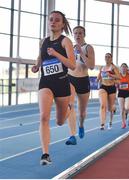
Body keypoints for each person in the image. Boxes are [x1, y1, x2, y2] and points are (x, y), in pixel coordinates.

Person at [31, 10, 75, 165]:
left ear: (62, 25)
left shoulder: (65, 42)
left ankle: (69, 108)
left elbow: (72, 65)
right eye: (51, 19)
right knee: (43, 117)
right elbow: (41, 57)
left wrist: (57, 54)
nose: (53, 22)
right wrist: (37, 66)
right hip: (46, 83)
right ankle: (45, 154)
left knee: (60, 122)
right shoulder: (43, 41)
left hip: (62, 83)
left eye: (57, 20)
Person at [65, 26, 95, 145]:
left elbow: (91, 66)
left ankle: (81, 125)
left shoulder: (88, 48)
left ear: (84, 34)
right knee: (70, 105)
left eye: (80, 33)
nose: (78, 35)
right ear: (73, 34)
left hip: (83, 81)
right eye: (76, 33)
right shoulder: (70, 48)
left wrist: (81, 52)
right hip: (70, 78)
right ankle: (72, 135)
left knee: (81, 112)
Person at [97, 53, 120, 130]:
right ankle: (102, 124)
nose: (107, 58)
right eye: (106, 57)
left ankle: (110, 121)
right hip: (103, 87)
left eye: (108, 57)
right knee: (103, 105)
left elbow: (119, 77)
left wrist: (111, 75)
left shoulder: (113, 68)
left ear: (111, 58)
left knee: (110, 108)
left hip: (111, 88)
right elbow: (99, 77)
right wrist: (98, 79)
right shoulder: (102, 67)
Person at [117, 63, 129, 128]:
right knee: (122, 109)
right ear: (120, 68)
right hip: (120, 92)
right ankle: (123, 123)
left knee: (128, 107)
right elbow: (115, 82)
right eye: (122, 67)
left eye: (125, 67)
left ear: (126, 68)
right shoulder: (118, 75)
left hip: (127, 92)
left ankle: (126, 113)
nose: (123, 68)